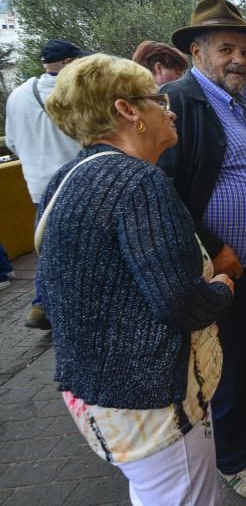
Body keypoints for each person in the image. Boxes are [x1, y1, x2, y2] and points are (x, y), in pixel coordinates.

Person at [38, 53, 234, 505]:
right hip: (153, 400)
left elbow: (49, 290)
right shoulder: (140, 183)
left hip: (100, 395)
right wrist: (220, 291)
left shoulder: (67, 177)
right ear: (127, 110)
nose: (170, 110)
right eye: (158, 100)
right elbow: (180, 303)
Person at [159, 0, 246, 499]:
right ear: (196, 52)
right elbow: (165, 193)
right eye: (226, 49)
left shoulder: (238, 101)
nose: (239, 59)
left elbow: (233, 158)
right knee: (228, 364)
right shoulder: (181, 101)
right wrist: (214, 248)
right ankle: (234, 459)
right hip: (220, 268)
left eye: (244, 50)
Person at [5, 38, 88, 329]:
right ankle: (72, 309)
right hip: (78, 181)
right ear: (69, 62)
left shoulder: (17, 94)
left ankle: (42, 302)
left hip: (39, 186)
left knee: (50, 245)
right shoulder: (78, 93)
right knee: (84, 248)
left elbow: (12, 142)